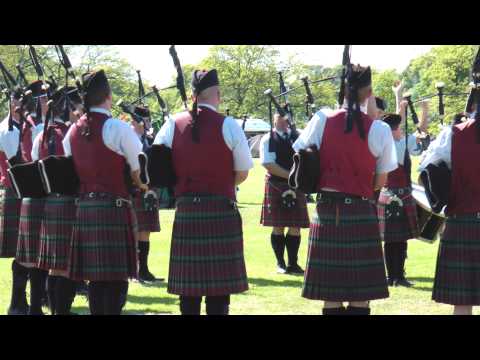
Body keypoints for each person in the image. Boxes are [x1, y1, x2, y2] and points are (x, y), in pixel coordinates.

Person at [293, 65, 397, 315]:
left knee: (330, 294)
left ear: (343, 90)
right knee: (360, 296)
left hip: (327, 209)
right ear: (368, 93)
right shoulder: (380, 129)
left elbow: (301, 156)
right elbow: (380, 181)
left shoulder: (321, 119)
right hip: (361, 210)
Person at [154, 69, 253, 315]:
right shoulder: (228, 124)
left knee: (188, 289)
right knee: (219, 290)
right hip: (221, 211)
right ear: (217, 94)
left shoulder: (171, 124)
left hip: (187, 211)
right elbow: (242, 172)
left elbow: (156, 164)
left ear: (193, 94)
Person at [62, 70, 145, 315]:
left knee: (96, 281)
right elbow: (138, 169)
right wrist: (140, 185)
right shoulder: (117, 128)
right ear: (108, 96)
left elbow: (70, 166)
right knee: (117, 279)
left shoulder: (72, 131)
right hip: (114, 208)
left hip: (86, 209)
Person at [419, 96, 480, 315]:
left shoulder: (453, 134)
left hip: (463, 219)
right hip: (464, 218)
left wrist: (441, 198)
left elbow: (426, 167)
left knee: (462, 301)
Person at [33, 86, 83, 315]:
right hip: (68, 203)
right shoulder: (72, 134)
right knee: (64, 267)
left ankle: (55, 310)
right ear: (69, 109)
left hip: (49, 203)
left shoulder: (41, 134)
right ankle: (61, 311)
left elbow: (36, 165)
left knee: (54, 266)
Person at [376, 83, 430, 287]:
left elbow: (408, 125)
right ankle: (392, 276)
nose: (401, 129)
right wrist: (399, 99)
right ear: (392, 130)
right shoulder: (389, 143)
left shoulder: (400, 140)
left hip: (402, 194)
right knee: (392, 240)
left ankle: (400, 275)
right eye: (398, 128)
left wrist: (400, 98)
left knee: (401, 239)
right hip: (390, 194)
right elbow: (401, 121)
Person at [15, 80, 50, 315]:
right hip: (36, 192)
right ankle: (25, 304)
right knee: (33, 255)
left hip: (38, 193)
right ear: (39, 101)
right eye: (46, 98)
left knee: (37, 255)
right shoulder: (35, 126)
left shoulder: (37, 124)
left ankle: (30, 303)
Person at [259, 113, 309, 274]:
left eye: (286, 118)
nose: (283, 122)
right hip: (277, 184)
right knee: (278, 226)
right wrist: (291, 175)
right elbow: (268, 163)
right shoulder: (268, 139)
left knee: (296, 226)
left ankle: (293, 264)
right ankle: (280, 263)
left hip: (296, 186)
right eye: (280, 118)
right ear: (274, 120)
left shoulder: (298, 135)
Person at [0, 88, 29, 315]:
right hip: (15, 191)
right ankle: (17, 302)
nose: (19, 106)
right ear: (11, 104)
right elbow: (16, 159)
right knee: (22, 251)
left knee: (32, 250)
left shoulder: (27, 125)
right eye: (16, 101)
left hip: (29, 191)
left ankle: (38, 296)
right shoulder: (6, 129)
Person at [130, 106, 162, 283]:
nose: (149, 123)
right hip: (135, 190)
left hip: (148, 189)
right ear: (137, 121)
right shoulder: (130, 138)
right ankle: (134, 270)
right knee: (137, 231)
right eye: (146, 120)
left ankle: (144, 269)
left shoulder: (146, 139)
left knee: (146, 230)